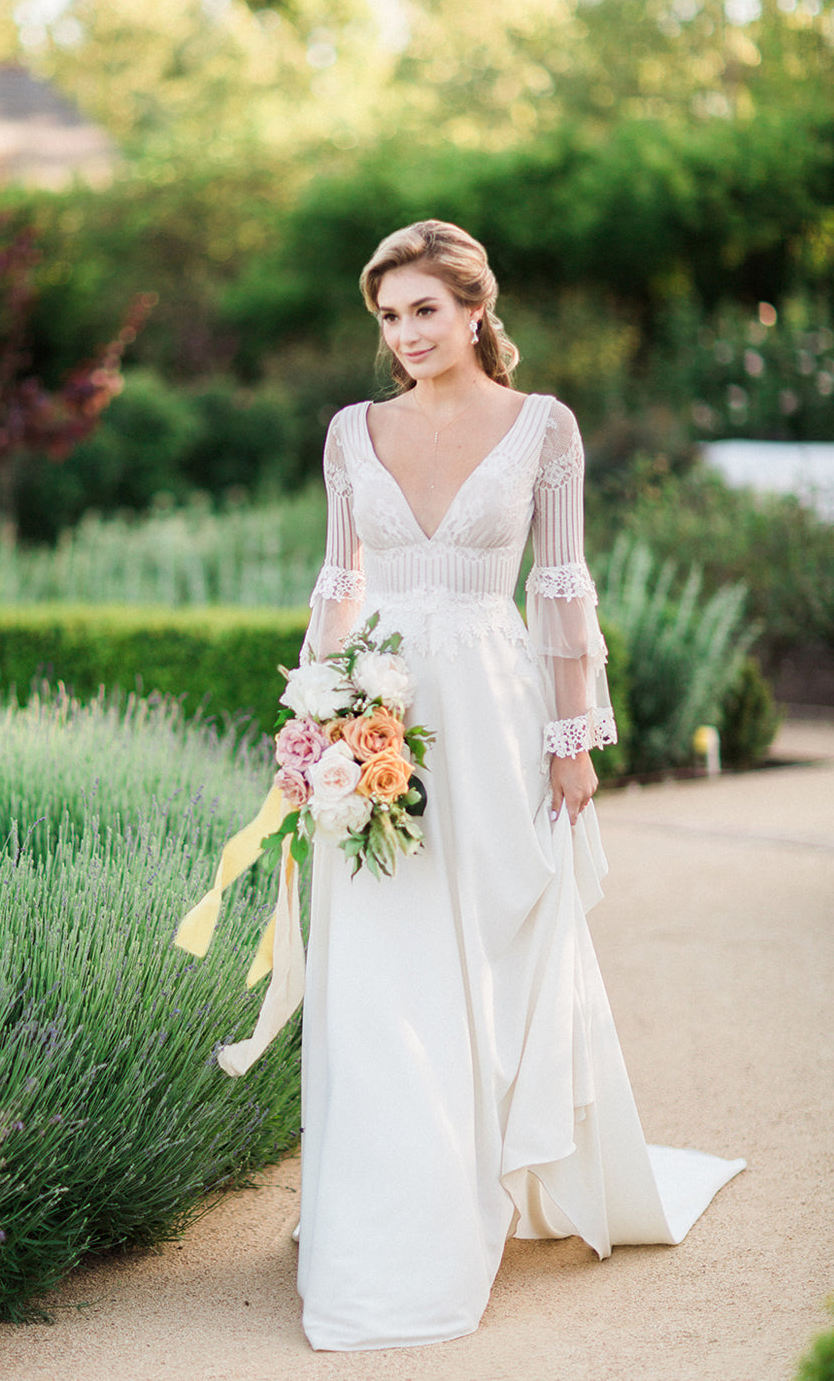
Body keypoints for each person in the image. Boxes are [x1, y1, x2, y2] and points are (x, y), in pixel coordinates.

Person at [294, 219, 744, 1351]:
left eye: (425, 311)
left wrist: (571, 741)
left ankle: (491, 1166)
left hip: (492, 716)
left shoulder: (545, 429)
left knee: (495, 938)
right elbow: (338, 586)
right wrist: (315, 722)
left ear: (474, 309)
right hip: (378, 709)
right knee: (383, 956)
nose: (405, 336)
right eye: (389, 318)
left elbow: (559, 588)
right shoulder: (354, 432)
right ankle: (388, 1214)